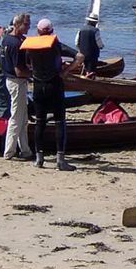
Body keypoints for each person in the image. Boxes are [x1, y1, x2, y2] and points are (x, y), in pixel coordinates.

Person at [22, 18, 83, 171]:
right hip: (54, 84)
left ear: (37, 31)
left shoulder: (31, 46)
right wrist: (66, 71)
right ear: (51, 31)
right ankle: (60, 160)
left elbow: (27, 64)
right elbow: (80, 56)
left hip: (38, 86)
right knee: (59, 122)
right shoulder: (55, 44)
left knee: (40, 122)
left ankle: (39, 159)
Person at [1, 13, 32, 161]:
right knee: (16, 117)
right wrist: (33, 74)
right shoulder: (16, 44)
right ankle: (9, 151)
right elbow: (19, 71)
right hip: (17, 81)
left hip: (11, 80)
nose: (29, 26)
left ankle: (25, 150)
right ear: (17, 25)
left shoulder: (7, 39)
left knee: (23, 117)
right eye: (26, 24)